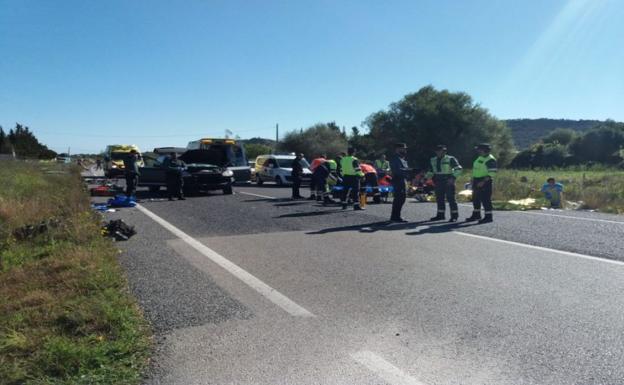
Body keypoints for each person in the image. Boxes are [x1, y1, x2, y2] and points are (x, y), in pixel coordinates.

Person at [426, 145, 462, 222]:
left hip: (448, 180)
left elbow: (458, 169)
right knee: (439, 199)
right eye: (438, 151)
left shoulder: (450, 159)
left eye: (442, 151)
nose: (440, 152)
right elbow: (431, 171)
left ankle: (454, 216)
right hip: (438, 181)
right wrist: (426, 178)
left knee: (451, 198)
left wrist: (453, 178)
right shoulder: (433, 160)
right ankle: (440, 215)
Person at [466, 143, 497, 223]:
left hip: (484, 181)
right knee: (475, 199)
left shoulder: (490, 159)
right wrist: (473, 179)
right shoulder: (480, 157)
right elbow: (476, 169)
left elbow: (492, 173)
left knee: (485, 199)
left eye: (479, 149)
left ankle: (488, 217)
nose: (478, 150)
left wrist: (483, 182)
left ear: (484, 150)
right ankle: (476, 215)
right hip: (477, 180)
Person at [390, 143, 410, 222]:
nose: (405, 150)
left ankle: (396, 216)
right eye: (403, 148)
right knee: (399, 199)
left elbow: (405, 169)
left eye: (405, 149)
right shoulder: (395, 159)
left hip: (402, 180)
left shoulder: (402, 159)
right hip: (398, 180)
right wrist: (407, 172)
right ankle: (395, 217)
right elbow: (397, 171)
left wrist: (411, 172)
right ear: (397, 149)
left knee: (402, 198)